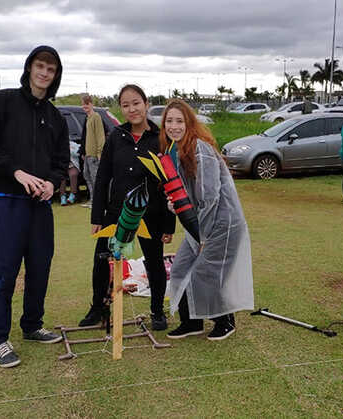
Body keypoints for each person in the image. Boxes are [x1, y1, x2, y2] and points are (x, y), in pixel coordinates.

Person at [0, 46, 69, 368]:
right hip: (5, 200)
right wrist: (16, 172)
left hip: (40, 204)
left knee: (40, 267)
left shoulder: (55, 117)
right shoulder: (1, 101)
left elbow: (61, 163)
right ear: (29, 68)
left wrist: (52, 183)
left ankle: (32, 325)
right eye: (40, 66)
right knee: (3, 271)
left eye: (51, 69)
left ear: (56, 76)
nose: (44, 73)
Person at [159, 99, 254, 340]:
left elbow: (209, 196)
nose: (174, 126)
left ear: (189, 123)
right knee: (180, 267)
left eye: (179, 121)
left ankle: (226, 320)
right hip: (199, 225)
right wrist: (175, 205)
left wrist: (202, 235)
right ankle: (192, 322)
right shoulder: (176, 151)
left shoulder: (200, 148)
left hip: (223, 224)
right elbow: (185, 194)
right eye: (169, 121)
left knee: (206, 272)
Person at [84, 84, 175, 331]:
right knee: (102, 261)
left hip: (151, 214)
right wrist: (97, 216)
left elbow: (170, 183)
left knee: (154, 262)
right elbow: (102, 178)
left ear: (146, 103)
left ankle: (157, 311)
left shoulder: (161, 138)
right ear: (121, 109)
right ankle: (98, 308)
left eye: (136, 103)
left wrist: (169, 224)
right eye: (126, 105)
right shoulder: (116, 137)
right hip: (115, 213)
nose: (132, 109)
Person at [80, 94, 105, 208]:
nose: (84, 106)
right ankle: (92, 200)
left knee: (96, 179)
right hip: (87, 154)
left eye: (87, 104)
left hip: (95, 155)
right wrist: (83, 152)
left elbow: (100, 136)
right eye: (83, 104)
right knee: (87, 176)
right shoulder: (87, 118)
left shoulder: (96, 117)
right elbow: (86, 137)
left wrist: (100, 153)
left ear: (91, 104)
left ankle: (98, 202)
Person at [59, 140, 80, 206]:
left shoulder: (73, 144)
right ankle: (62, 196)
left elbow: (78, 153)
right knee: (62, 177)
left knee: (73, 175)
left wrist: (69, 150)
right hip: (63, 166)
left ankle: (72, 195)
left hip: (72, 165)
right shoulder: (58, 145)